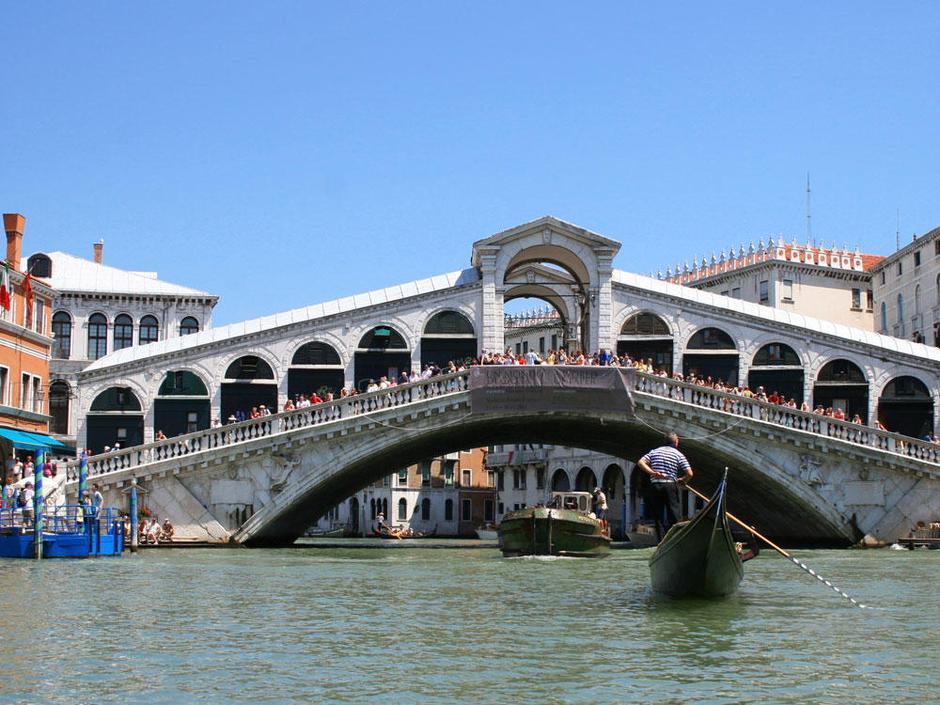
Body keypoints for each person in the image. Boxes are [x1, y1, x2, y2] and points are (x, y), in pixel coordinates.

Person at [635, 432, 694, 541]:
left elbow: (641, 462)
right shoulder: (678, 454)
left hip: (655, 485)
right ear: (676, 442)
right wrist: (683, 480)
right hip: (670, 484)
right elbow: (690, 474)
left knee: (658, 515)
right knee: (674, 513)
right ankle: (674, 539)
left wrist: (653, 473)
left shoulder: (654, 452)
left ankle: (661, 541)